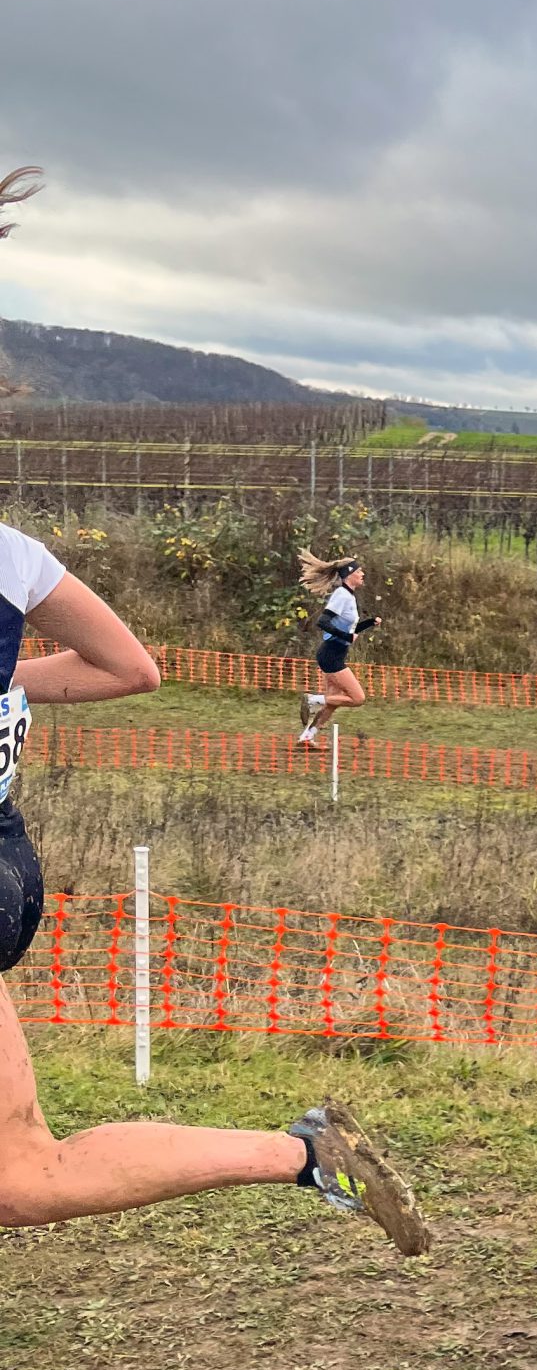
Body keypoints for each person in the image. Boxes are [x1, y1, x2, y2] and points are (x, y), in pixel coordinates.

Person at [0, 522, 428, 1249]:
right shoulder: (13, 551)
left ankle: (314, 716)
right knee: (21, 1174)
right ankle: (307, 1156)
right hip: (9, 866)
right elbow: (131, 669)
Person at [297, 552, 377, 746]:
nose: (362, 574)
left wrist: (369, 623)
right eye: (359, 571)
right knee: (357, 698)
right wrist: (347, 637)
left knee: (332, 702)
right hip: (331, 655)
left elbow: (349, 630)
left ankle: (307, 737)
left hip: (333, 653)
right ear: (349, 574)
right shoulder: (342, 595)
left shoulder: (349, 596)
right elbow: (323, 622)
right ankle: (312, 700)